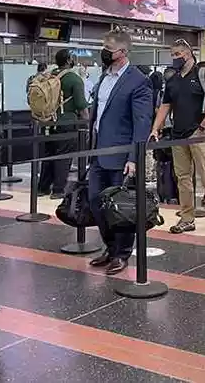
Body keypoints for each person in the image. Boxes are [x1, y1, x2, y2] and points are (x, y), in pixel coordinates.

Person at [88, 29, 152, 275]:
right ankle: (110, 247)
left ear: (123, 52)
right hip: (97, 152)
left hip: (122, 155)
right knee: (97, 203)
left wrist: (134, 158)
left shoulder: (138, 81)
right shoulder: (105, 77)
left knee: (120, 208)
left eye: (109, 49)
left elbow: (142, 122)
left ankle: (122, 254)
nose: (104, 52)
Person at [150, 41, 205, 234]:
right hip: (178, 134)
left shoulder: (204, 74)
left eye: (178, 54)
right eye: (173, 54)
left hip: (198, 133)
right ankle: (187, 218)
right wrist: (155, 128)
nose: (175, 58)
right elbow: (165, 106)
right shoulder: (173, 80)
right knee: (183, 178)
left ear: (188, 54)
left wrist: (202, 126)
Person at [39, 49, 89, 199]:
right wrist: (86, 124)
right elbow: (81, 106)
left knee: (48, 156)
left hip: (47, 121)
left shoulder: (48, 76)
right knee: (63, 156)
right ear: (68, 61)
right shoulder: (74, 79)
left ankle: (42, 188)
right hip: (66, 123)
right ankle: (59, 190)